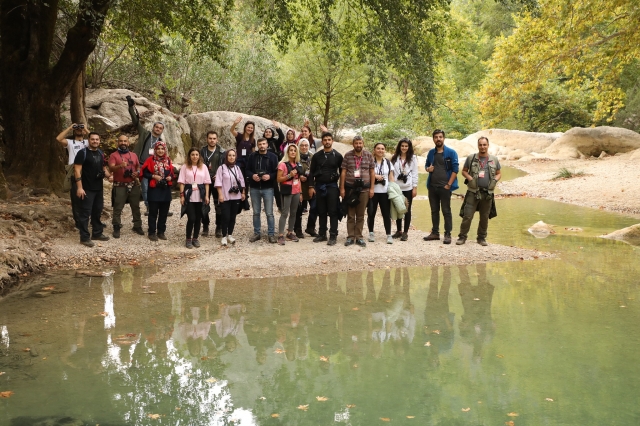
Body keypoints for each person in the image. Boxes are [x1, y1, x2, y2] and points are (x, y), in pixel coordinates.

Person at [126, 95, 168, 216]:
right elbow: (135, 121)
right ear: (153, 127)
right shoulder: (145, 134)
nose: (158, 129)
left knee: (155, 187)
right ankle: (148, 207)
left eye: (160, 128)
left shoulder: (161, 142)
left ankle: (157, 205)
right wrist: (131, 107)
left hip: (154, 167)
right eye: (156, 127)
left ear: (162, 130)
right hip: (141, 164)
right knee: (144, 187)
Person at [456, 136, 501, 246]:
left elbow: (499, 173)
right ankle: (462, 237)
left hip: (487, 194)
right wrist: (470, 178)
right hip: (473, 192)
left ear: (488, 145)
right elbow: (464, 171)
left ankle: (481, 238)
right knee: (467, 215)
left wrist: (495, 180)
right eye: (480, 145)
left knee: (484, 217)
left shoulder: (494, 159)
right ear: (478, 146)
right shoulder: (471, 158)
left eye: (484, 144)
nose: (482, 147)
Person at [73, 132, 111, 247]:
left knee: (97, 211)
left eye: (97, 139)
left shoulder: (100, 153)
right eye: (93, 139)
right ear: (88, 140)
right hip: (86, 188)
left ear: (99, 141)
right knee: (85, 213)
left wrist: (109, 176)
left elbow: (103, 168)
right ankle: (84, 237)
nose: (95, 141)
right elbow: (77, 171)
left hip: (98, 188)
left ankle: (97, 233)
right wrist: (79, 188)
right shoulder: (82, 153)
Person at [423, 129, 458, 244]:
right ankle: (435, 233)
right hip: (432, 187)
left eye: (440, 137)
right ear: (433, 139)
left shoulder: (451, 153)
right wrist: (428, 169)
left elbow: (455, 169)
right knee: (434, 210)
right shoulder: (431, 153)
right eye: (436, 137)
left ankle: (447, 234)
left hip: (445, 187)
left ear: (443, 138)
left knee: (446, 211)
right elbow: (427, 166)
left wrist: (449, 185)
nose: (438, 139)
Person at [308, 132, 343, 246]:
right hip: (319, 186)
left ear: (332, 141)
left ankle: (333, 235)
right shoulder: (317, 156)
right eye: (325, 140)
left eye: (329, 139)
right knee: (321, 211)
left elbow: (343, 173)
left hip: (332, 186)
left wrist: (342, 188)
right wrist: (311, 186)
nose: (327, 142)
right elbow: (311, 172)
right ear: (322, 142)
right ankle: (322, 234)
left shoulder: (338, 156)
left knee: (333, 211)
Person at [340, 135, 375, 247]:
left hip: (364, 189)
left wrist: (372, 188)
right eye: (356, 143)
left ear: (363, 144)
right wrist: (342, 188)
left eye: (360, 143)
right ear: (353, 144)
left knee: (360, 215)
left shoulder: (368, 155)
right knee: (351, 214)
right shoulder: (348, 155)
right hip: (350, 189)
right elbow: (344, 172)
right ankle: (350, 237)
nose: (358, 145)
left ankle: (359, 237)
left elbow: (372, 173)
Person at [108, 134, 144, 238]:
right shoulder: (113, 155)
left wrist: (137, 172)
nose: (123, 143)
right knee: (118, 207)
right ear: (117, 143)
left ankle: (137, 225)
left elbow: (138, 166)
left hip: (133, 185)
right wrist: (120, 166)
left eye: (125, 141)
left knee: (136, 207)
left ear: (128, 143)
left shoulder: (133, 155)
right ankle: (116, 226)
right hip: (120, 185)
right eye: (121, 141)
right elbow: (111, 168)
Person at [246, 137, 279, 243]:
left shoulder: (273, 157)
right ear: (257, 145)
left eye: (264, 144)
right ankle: (257, 233)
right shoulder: (252, 156)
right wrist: (252, 175)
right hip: (255, 187)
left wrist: (269, 176)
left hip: (268, 188)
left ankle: (271, 234)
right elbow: (247, 170)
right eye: (260, 144)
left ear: (267, 145)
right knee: (256, 212)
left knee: (269, 212)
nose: (262, 146)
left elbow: (277, 172)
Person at [140, 141, 175, 241]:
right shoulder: (150, 160)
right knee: (153, 212)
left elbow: (172, 173)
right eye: (158, 149)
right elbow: (144, 173)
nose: (160, 151)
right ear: (155, 150)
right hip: (154, 189)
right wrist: (153, 176)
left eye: (162, 149)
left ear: (165, 150)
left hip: (165, 190)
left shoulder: (168, 160)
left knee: (164, 212)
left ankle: (161, 231)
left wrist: (170, 177)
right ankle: (151, 232)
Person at [56, 122, 89, 229]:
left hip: (87, 171)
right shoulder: (70, 142)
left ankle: (88, 220)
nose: (79, 130)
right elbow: (59, 139)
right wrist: (70, 128)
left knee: (89, 197)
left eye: (81, 129)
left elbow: (97, 139)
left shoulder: (88, 142)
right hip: (74, 170)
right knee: (76, 198)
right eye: (77, 129)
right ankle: (78, 223)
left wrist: (86, 129)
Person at [178, 147, 211, 249]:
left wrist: (206, 196)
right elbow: (182, 182)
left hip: (200, 195)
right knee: (191, 218)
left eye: (197, 154)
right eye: (192, 154)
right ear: (189, 156)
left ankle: (195, 238)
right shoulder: (185, 167)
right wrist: (182, 195)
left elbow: (207, 183)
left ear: (199, 156)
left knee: (198, 218)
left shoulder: (204, 167)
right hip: (189, 195)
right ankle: (188, 239)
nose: (195, 156)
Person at [214, 149, 246, 246]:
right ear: (226, 157)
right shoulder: (221, 168)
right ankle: (224, 235)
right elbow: (218, 182)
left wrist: (243, 192)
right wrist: (220, 194)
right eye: (229, 155)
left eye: (233, 155)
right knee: (225, 216)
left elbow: (242, 181)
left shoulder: (237, 168)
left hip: (236, 196)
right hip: (225, 196)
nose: (231, 157)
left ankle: (230, 234)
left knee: (233, 216)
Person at [391, 138, 419, 241]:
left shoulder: (413, 159)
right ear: (399, 146)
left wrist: (414, 188)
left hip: (408, 187)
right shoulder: (394, 158)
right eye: (402, 146)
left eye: (406, 146)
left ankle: (405, 232)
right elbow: (391, 173)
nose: (404, 148)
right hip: (397, 187)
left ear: (409, 147)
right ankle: (399, 231)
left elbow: (415, 173)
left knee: (407, 209)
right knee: (398, 208)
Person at [367, 143, 395, 244]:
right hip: (373, 191)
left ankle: (388, 234)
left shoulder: (388, 162)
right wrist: (375, 176)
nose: (380, 150)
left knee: (386, 214)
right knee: (371, 213)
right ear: (374, 150)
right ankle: (371, 233)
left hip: (385, 192)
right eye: (378, 148)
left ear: (385, 150)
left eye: (382, 149)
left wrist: (394, 191)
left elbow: (391, 178)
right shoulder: (370, 162)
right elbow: (366, 175)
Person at [276, 144, 303, 244]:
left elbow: (298, 179)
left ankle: (290, 232)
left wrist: (300, 192)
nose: (293, 152)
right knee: (284, 213)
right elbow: (278, 179)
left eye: (294, 151)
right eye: (291, 150)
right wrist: (289, 175)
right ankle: (280, 235)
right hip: (287, 190)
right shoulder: (282, 164)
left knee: (294, 213)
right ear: (287, 152)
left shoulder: (298, 164)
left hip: (296, 191)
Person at [200, 131, 224, 238]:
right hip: (204, 182)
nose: (212, 140)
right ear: (207, 139)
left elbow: (225, 166)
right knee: (204, 204)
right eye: (210, 138)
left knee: (218, 205)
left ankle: (219, 227)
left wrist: (219, 175)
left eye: (214, 138)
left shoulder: (222, 152)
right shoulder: (202, 151)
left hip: (217, 182)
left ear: (217, 140)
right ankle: (205, 225)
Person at [294, 139, 318, 238]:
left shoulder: (313, 157)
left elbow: (316, 170)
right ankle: (297, 229)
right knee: (299, 209)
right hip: (299, 187)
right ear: (299, 146)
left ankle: (310, 227)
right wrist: (299, 176)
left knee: (315, 208)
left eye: (306, 145)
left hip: (311, 186)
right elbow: (290, 169)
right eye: (302, 145)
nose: (304, 147)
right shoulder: (295, 156)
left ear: (309, 146)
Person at [263, 122, 285, 211]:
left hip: (274, 167)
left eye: (269, 132)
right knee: (266, 187)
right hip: (264, 167)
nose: (268, 133)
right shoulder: (262, 142)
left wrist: (278, 128)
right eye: (266, 132)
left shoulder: (275, 142)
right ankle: (267, 206)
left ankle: (280, 205)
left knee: (275, 187)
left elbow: (282, 137)